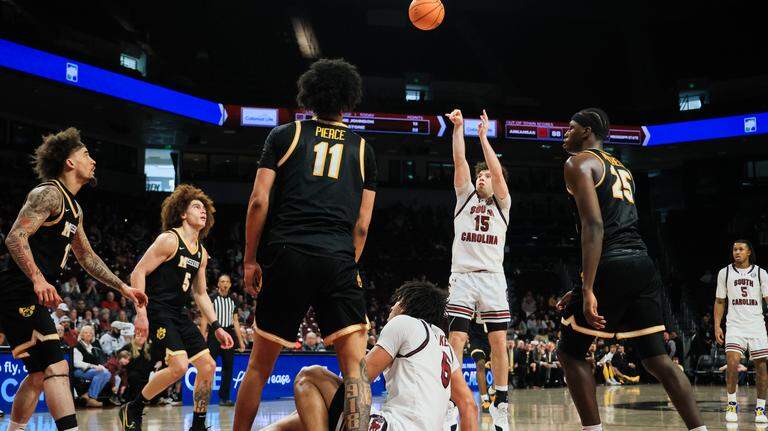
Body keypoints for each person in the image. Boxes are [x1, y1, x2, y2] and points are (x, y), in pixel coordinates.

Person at [234, 58, 377, 431]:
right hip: (337, 258)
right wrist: (346, 260)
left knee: (259, 367)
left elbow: (259, 201)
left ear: (309, 95)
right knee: (355, 371)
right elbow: (361, 227)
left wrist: (250, 259)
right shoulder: (364, 149)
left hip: (287, 254)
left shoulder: (284, 135)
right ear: (348, 99)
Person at [556, 108, 706, 431]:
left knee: (570, 353)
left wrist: (587, 289)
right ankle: (700, 430)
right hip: (642, 263)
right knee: (657, 359)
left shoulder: (578, 163)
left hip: (612, 261)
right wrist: (585, 280)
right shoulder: (622, 168)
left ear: (587, 131)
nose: (564, 134)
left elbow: (594, 226)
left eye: (570, 128)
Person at [0, 128, 147, 431]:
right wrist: (39, 279)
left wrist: (122, 286)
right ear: (69, 162)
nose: (92, 161)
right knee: (56, 368)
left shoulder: (74, 207)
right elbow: (15, 237)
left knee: (41, 373)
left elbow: (88, 257)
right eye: (86, 155)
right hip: (19, 290)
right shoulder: (48, 193)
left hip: (27, 292)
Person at [263, 281, 478, 431]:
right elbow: (468, 405)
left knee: (309, 376)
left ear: (405, 304)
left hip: (395, 427)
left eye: (396, 302)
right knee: (302, 418)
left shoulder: (403, 323)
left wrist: (350, 348)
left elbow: (359, 378)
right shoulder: (442, 342)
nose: (392, 307)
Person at [120, 185, 234, 431]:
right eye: (196, 206)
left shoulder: (202, 254)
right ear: (182, 213)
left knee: (208, 366)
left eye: (205, 208)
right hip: (158, 310)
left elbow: (201, 293)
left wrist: (217, 326)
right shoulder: (169, 239)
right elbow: (138, 272)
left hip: (179, 314)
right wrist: (141, 312)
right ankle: (134, 407)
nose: (202, 211)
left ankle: (198, 425)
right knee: (180, 366)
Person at [444, 108, 511, 430]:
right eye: (479, 175)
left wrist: (483, 136)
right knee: (455, 338)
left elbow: (497, 175)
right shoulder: (464, 197)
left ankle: (501, 401)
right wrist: (459, 128)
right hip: (463, 277)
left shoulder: (503, 203)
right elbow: (460, 163)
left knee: (499, 341)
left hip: (492, 279)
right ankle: (449, 400)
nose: (481, 177)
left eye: (485, 176)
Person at [714, 239, 768, 423]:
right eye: (734, 249)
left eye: (740, 249)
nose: (737, 252)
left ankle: (760, 408)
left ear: (748, 252)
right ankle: (731, 403)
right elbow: (720, 301)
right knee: (732, 361)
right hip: (735, 324)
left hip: (756, 325)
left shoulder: (761, 273)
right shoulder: (725, 272)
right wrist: (716, 325)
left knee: (761, 366)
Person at [199, 273, 246, 406]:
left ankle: (224, 398)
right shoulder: (211, 298)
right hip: (214, 334)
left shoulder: (233, 300)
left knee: (228, 367)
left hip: (229, 334)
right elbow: (204, 318)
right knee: (208, 366)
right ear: (218, 284)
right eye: (222, 281)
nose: (224, 284)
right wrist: (202, 337)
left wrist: (241, 341)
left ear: (230, 284)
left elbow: (236, 321)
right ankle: (202, 396)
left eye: (227, 281)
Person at [72, 325, 111, 407]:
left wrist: (102, 367)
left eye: (90, 333)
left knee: (107, 373)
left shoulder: (91, 347)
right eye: (86, 333)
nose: (88, 334)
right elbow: (76, 362)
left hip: (90, 370)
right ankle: (92, 397)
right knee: (100, 373)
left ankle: (87, 395)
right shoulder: (78, 346)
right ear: (81, 335)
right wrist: (92, 366)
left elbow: (96, 363)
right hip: (79, 371)